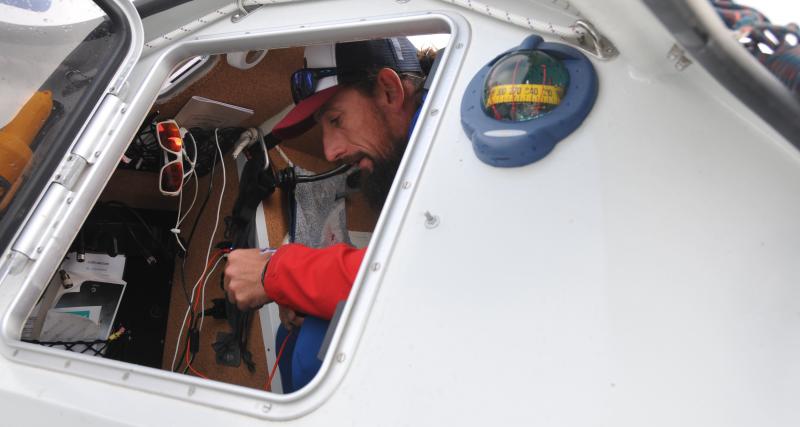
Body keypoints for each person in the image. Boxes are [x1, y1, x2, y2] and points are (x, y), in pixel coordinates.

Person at [223, 37, 428, 331]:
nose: (330, 152)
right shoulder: (418, 166)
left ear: (389, 90)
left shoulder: (463, 140)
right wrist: (297, 288)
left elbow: (420, 276)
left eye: (336, 120)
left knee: (310, 343)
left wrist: (278, 273)